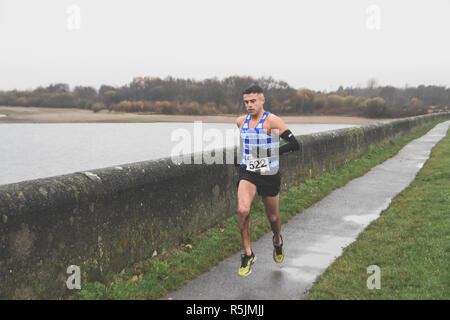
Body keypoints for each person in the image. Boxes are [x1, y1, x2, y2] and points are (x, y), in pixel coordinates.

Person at [235, 84, 300, 277]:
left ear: (262, 101)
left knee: (272, 217)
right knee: (242, 210)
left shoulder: (272, 121)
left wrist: (271, 152)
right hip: (248, 172)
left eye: (253, 101)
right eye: (246, 102)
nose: (249, 105)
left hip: (269, 174)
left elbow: (295, 144)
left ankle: (277, 240)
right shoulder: (240, 122)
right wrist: (241, 163)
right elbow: (243, 145)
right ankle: (248, 254)